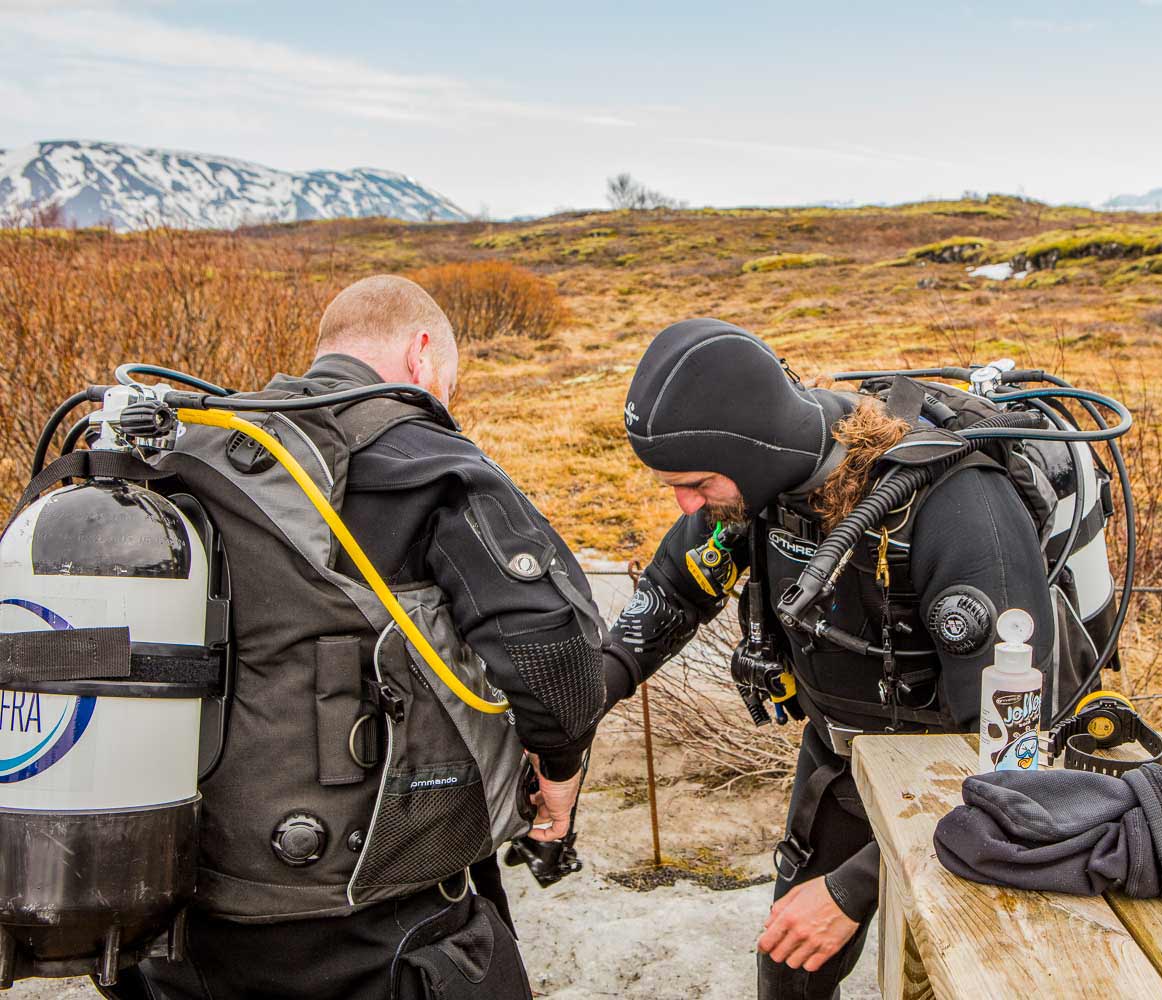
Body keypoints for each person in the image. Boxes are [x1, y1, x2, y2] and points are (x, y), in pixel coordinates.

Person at [107, 275, 620, 1000]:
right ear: (421, 355)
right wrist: (560, 772)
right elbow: (549, 643)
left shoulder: (206, 451)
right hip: (375, 925)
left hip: (179, 923)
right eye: (450, 378)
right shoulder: (427, 458)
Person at [603, 319, 1064, 1000]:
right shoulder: (763, 484)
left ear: (746, 449)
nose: (685, 504)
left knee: (944, 973)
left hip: (963, 780)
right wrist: (575, 706)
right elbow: (672, 591)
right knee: (788, 966)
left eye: (695, 482)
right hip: (844, 754)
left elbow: (1012, 764)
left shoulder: (962, 509)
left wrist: (854, 888)